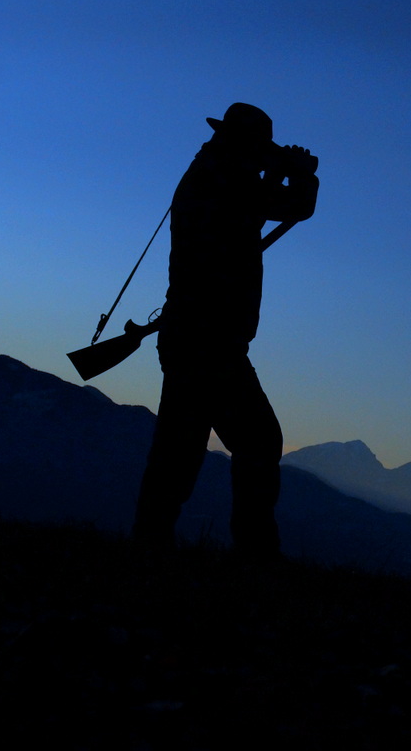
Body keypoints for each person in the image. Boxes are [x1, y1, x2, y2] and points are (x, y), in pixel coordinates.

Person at [132, 103, 319, 558]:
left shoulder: (215, 174)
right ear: (245, 145)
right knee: (254, 442)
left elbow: (271, 208)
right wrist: (297, 173)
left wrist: (283, 172)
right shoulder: (223, 180)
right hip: (207, 340)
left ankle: (149, 543)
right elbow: (293, 206)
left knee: (180, 449)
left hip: (199, 336)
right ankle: (254, 551)